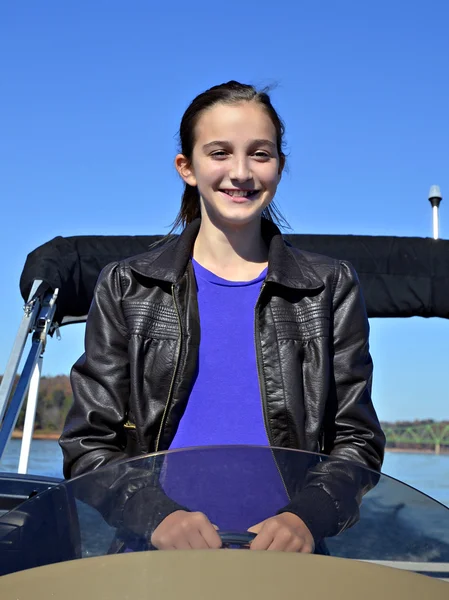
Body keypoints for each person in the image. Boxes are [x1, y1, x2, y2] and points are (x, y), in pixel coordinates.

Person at [59, 80, 385, 553]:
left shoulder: (330, 286)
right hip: (152, 562)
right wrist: (155, 514)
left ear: (279, 166)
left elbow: (358, 440)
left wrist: (307, 517)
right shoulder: (127, 286)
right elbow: (88, 442)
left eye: (260, 153)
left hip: (286, 567)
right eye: (219, 153)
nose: (241, 172)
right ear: (186, 168)